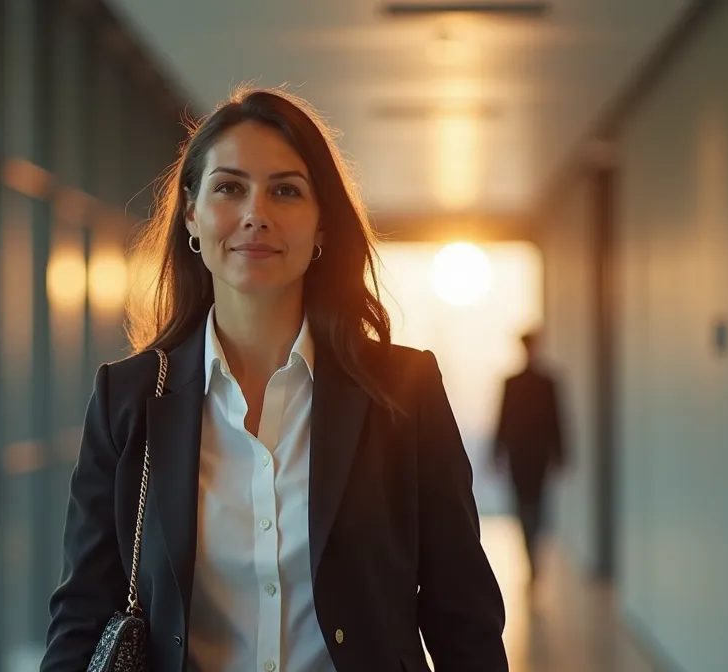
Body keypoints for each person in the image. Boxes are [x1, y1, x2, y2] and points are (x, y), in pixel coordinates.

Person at [41, 88, 508, 672]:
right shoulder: (129, 398)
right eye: (229, 188)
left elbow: (462, 614)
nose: (255, 213)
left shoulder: (402, 390)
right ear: (192, 212)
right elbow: (83, 612)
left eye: (285, 190)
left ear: (322, 226)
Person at [493, 331, 567, 585]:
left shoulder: (546, 383)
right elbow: (502, 418)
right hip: (520, 452)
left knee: (535, 502)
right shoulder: (514, 383)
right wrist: (497, 452)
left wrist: (560, 453)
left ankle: (532, 551)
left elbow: (556, 420)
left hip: (535, 453)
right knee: (524, 502)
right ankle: (530, 552)